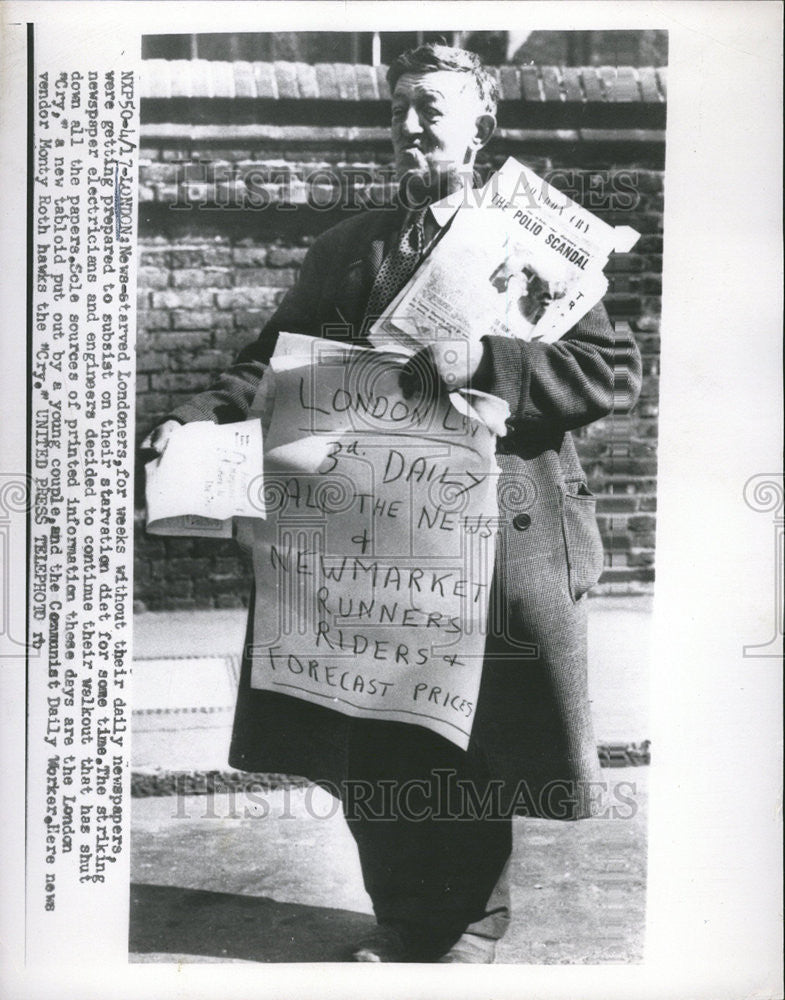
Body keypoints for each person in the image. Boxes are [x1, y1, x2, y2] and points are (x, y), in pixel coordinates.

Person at [141, 43, 642, 963]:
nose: (411, 126)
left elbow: (606, 374)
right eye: (400, 108)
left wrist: (483, 360)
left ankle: (467, 931)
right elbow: (265, 361)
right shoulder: (346, 248)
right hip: (362, 540)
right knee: (374, 743)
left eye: (433, 109)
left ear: (482, 127)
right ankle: (405, 919)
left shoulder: (538, 239)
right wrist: (191, 416)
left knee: (466, 741)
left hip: (490, 536)